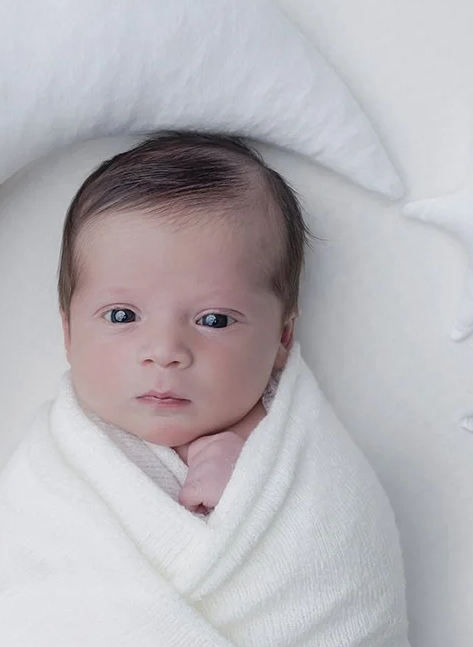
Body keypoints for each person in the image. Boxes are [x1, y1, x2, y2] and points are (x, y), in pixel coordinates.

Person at [57, 130, 308, 515]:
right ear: (70, 333)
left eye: (214, 320)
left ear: (282, 336)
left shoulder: (296, 448)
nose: (165, 351)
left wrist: (255, 482)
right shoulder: (62, 456)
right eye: (122, 316)